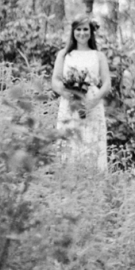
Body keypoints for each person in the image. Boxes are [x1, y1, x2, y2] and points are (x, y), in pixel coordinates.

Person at [51, 14, 112, 172]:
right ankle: (68, 177)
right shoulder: (64, 55)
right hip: (69, 103)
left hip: (92, 103)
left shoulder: (99, 56)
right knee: (70, 139)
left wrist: (93, 102)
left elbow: (106, 84)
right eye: (78, 29)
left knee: (91, 140)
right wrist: (69, 96)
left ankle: (94, 178)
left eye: (86, 29)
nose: (82, 33)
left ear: (91, 32)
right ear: (73, 32)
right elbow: (56, 81)